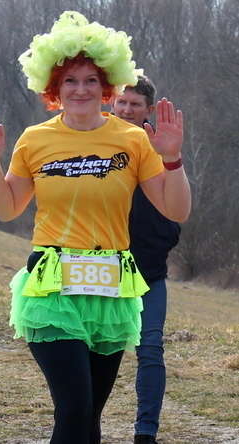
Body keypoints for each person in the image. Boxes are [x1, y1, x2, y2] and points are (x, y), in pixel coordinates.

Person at [0, 11, 190, 444]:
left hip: (110, 290)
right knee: (74, 409)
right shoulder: (34, 139)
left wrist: (173, 158)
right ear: (54, 87)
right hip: (53, 289)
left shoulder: (132, 140)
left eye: (90, 80)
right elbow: (7, 209)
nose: (80, 89)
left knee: (89, 419)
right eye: (70, 80)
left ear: (107, 87)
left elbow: (175, 210)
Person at [113, 75, 181, 444]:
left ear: (148, 109)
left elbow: (175, 202)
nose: (127, 110)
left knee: (151, 349)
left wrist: (164, 239)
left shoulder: (160, 145)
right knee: (96, 350)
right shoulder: (96, 140)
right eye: (122, 102)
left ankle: (145, 433)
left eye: (135, 104)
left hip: (148, 272)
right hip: (101, 269)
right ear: (112, 102)